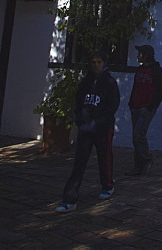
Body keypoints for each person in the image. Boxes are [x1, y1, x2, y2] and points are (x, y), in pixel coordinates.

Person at [55, 51, 120, 213]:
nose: (96, 65)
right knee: (79, 162)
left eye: (99, 62)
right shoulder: (85, 82)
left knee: (104, 157)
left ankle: (107, 185)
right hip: (85, 128)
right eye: (93, 62)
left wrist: (102, 122)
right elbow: (79, 102)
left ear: (104, 63)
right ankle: (69, 199)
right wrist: (80, 119)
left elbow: (113, 105)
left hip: (102, 128)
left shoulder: (110, 83)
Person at [127, 44, 162, 176]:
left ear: (146, 55)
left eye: (140, 53)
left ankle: (147, 160)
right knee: (135, 137)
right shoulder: (139, 70)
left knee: (138, 135)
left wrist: (150, 106)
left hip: (146, 108)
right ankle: (138, 165)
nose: (138, 56)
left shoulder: (156, 70)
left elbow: (160, 90)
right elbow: (135, 87)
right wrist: (131, 103)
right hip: (136, 107)